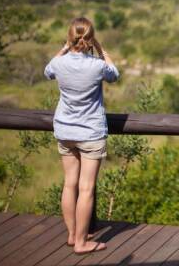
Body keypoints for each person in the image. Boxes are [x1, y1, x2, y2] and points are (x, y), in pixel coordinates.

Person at [44, 16, 120, 255]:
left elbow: (47, 70)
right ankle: (81, 243)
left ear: (70, 38)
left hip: (65, 130)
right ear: (90, 38)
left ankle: (72, 234)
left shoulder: (60, 63)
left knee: (70, 184)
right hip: (90, 133)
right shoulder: (96, 66)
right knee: (86, 188)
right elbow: (114, 74)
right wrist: (102, 50)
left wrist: (65, 48)